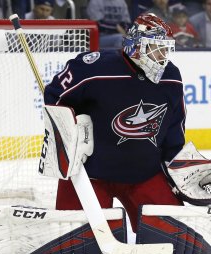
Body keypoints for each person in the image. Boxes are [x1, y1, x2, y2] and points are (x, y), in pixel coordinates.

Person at [43, 14, 185, 232]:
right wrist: (69, 133)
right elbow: (55, 96)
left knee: (178, 235)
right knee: (73, 239)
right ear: (136, 46)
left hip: (145, 175)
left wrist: (178, 169)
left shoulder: (171, 77)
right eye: (157, 48)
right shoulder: (93, 69)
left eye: (166, 48)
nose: (163, 56)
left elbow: (174, 128)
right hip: (90, 176)